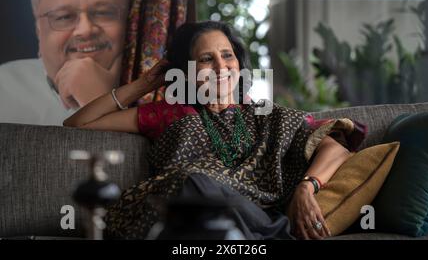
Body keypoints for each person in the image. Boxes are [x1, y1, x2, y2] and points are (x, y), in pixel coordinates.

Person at [64, 21, 366, 240]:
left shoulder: (264, 114)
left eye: (227, 55)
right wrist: (144, 85)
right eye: (206, 59)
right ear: (187, 72)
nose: (221, 67)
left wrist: (306, 187)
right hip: (195, 218)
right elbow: (77, 124)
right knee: (193, 183)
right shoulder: (171, 114)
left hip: (258, 218)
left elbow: (335, 145)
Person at [0, 0, 130, 125]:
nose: (85, 30)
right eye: (64, 17)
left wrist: (101, 103)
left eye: (103, 12)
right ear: (39, 30)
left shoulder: (163, 90)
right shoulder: (4, 89)